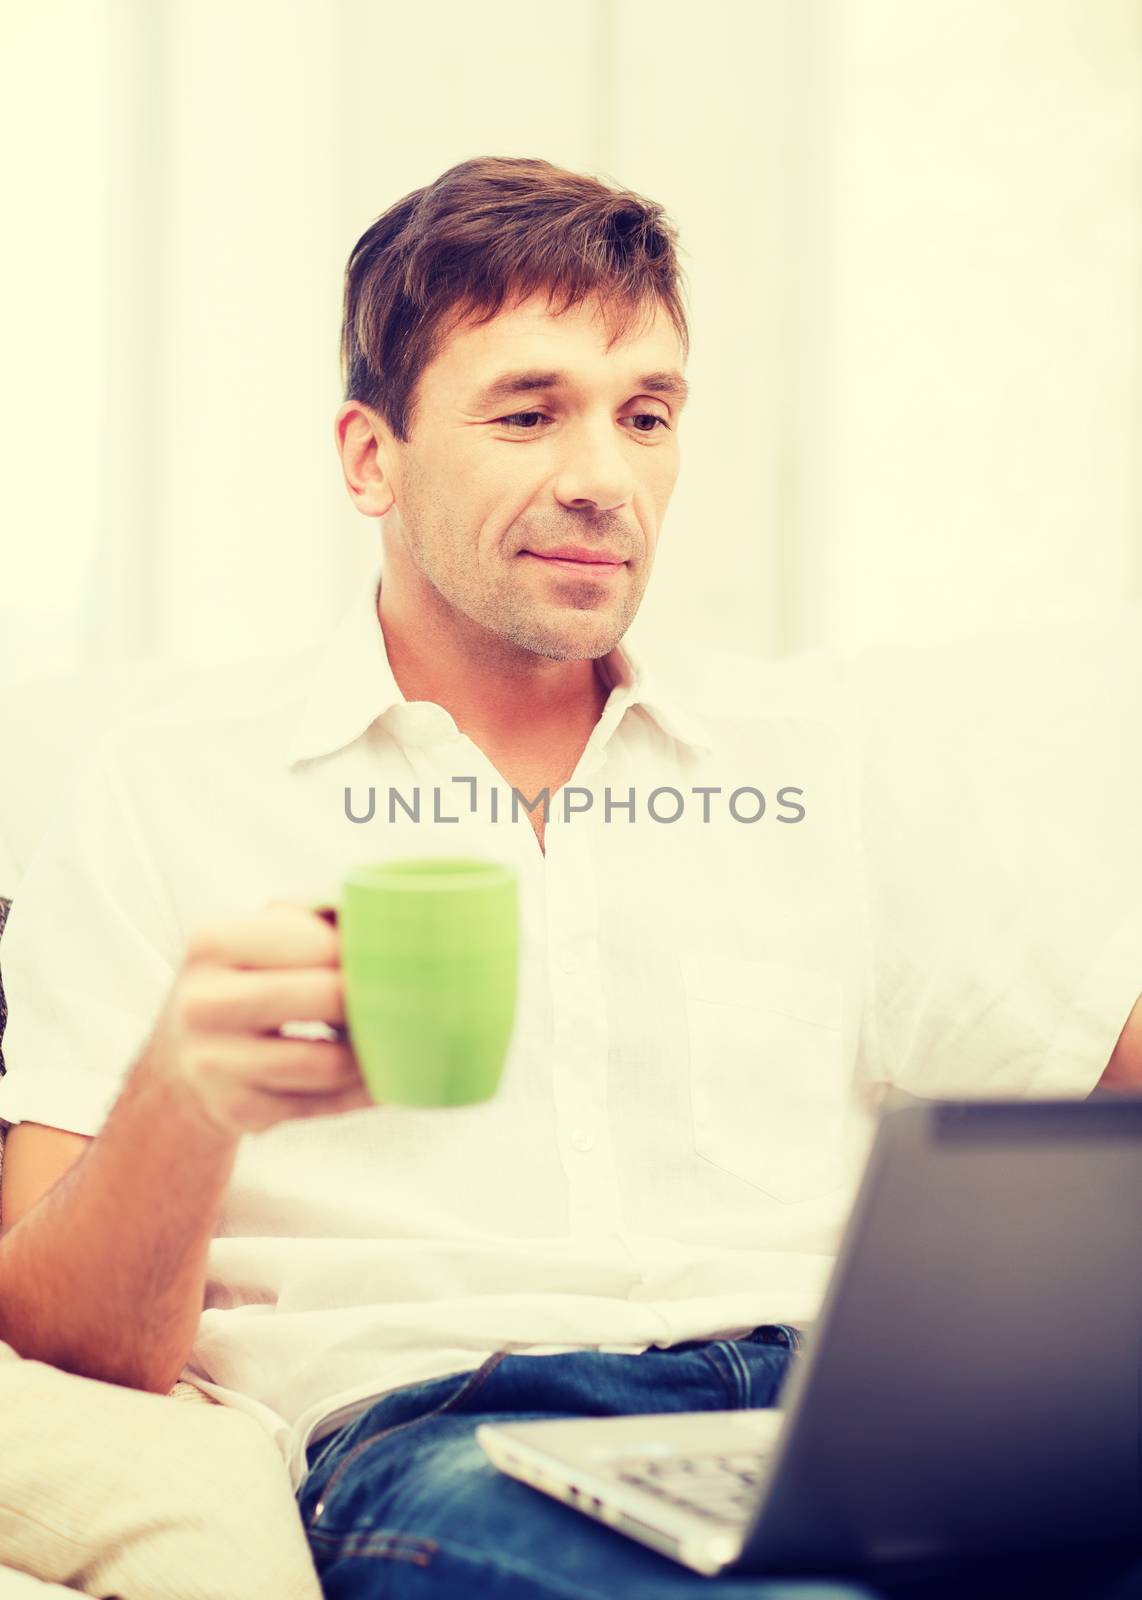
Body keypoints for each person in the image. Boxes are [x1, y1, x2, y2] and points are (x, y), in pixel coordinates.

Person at [1, 155, 1140, 1600]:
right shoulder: (173, 787)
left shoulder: (824, 758)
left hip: (835, 1412)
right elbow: (64, 1348)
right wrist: (185, 1091)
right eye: (528, 413)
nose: (602, 479)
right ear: (370, 457)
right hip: (448, 1433)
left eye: (645, 417)